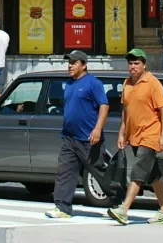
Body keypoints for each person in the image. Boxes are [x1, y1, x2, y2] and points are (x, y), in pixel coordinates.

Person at [108, 49, 163, 226]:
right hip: (134, 136)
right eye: (130, 63)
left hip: (150, 135)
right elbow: (126, 112)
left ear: (144, 65)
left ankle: (123, 210)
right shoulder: (127, 83)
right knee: (153, 175)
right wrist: (122, 133)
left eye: (136, 63)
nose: (133, 66)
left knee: (138, 171)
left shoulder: (153, 83)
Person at [44, 51, 108, 220]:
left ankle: (119, 201)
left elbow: (104, 105)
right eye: (69, 63)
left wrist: (97, 129)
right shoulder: (69, 84)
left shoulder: (93, 83)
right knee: (65, 172)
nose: (70, 66)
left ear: (84, 65)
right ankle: (62, 207)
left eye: (74, 63)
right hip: (69, 138)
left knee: (99, 171)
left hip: (88, 138)